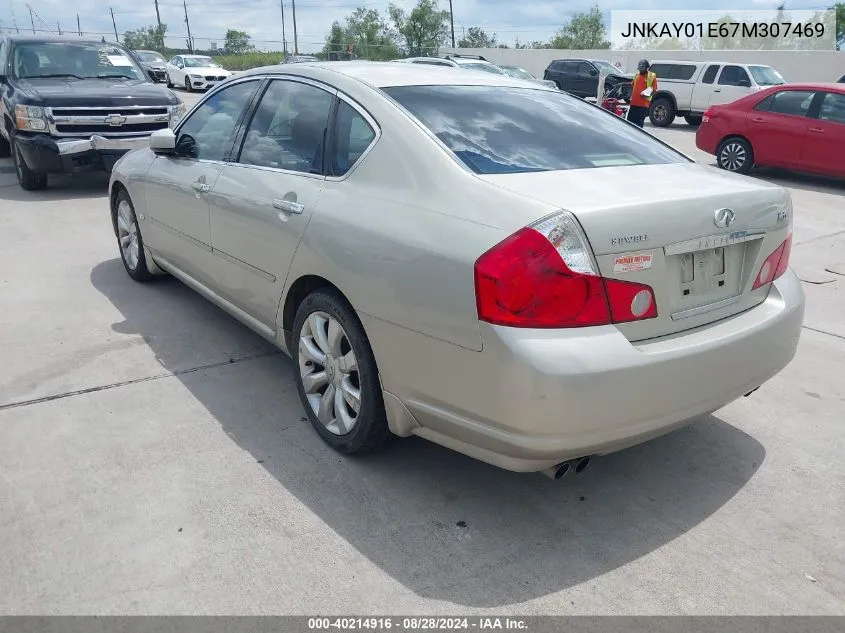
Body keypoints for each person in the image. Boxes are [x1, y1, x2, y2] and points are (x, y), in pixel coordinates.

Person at [627, 59, 657, 128]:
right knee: (629, 124)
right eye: (639, 68)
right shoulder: (637, 75)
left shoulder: (651, 76)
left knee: (639, 125)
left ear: (647, 68)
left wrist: (647, 93)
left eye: (642, 68)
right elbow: (632, 86)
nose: (640, 70)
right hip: (633, 104)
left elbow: (654, 90)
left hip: (643, 105)